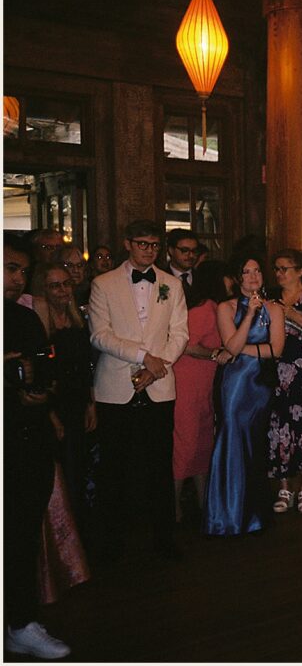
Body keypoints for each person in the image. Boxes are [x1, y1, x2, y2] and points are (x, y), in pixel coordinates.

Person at [89, 219, 188, 561]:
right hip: (115, 385)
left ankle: (164, 540)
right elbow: (100, 335)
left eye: (155, 245)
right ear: (128, 243)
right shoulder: (103, 283)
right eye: (143, 244)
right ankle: (110, 544)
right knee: (114, 466)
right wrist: (144, 357)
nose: (149, 250)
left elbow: (180, 334)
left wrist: (157, 366)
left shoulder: (171, 285)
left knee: (159, 465)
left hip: (159, 385)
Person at [3, 235, 72, 659]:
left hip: (25, 441)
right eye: (10, 268)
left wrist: (40, 391)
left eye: (23, 271)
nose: (18, 278)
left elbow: (44, 367)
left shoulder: (24, 317)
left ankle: (20, 621)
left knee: (20, 534)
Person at [203, 255, 285, 536]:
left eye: (257, 271)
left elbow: (277, 350)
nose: (253, 277)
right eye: (246, 272)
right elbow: (232, 343)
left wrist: (237, 351)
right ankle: (225, 515)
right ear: (238, 278)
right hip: (235, 384)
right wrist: (249, 315)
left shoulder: (274, 309)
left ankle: (254, 514)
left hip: (260, 382)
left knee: (254, 444)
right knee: (231, 439)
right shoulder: (225, 307)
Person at [31, 263, 97, 534]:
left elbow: (86, 367)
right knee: (60, 473)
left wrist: (91, 404)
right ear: (43, 289)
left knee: (78, 469)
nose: (62, 291)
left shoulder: (78, 321)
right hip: (52, 405)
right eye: (55, 285)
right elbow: (40, 376)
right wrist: (51, 415)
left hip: (78, 401)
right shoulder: (37, 323)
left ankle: (80, 535)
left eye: (66, 284)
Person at [171, 259, 231, 523]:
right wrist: (215, 353)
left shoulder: (216, 307)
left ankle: (203, 502)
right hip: (188, 381)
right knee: (185, 444)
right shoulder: (205, 308)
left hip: (202, 384)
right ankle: (173, 508)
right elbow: (186, 345)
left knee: (202, 443)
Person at [265, 249, 302, 515]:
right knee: (280, 428)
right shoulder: (270, 297)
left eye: (285, 268)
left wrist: (288, 312)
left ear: (300, 271)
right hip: (278, 371)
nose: (279, 274)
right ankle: (284, 487)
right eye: (276, 268)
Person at [163, 228, 200, 292]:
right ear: (171, 250)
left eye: (194, 251)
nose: (191, 255)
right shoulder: (160, 277)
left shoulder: (204, 278)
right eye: (185, 250)